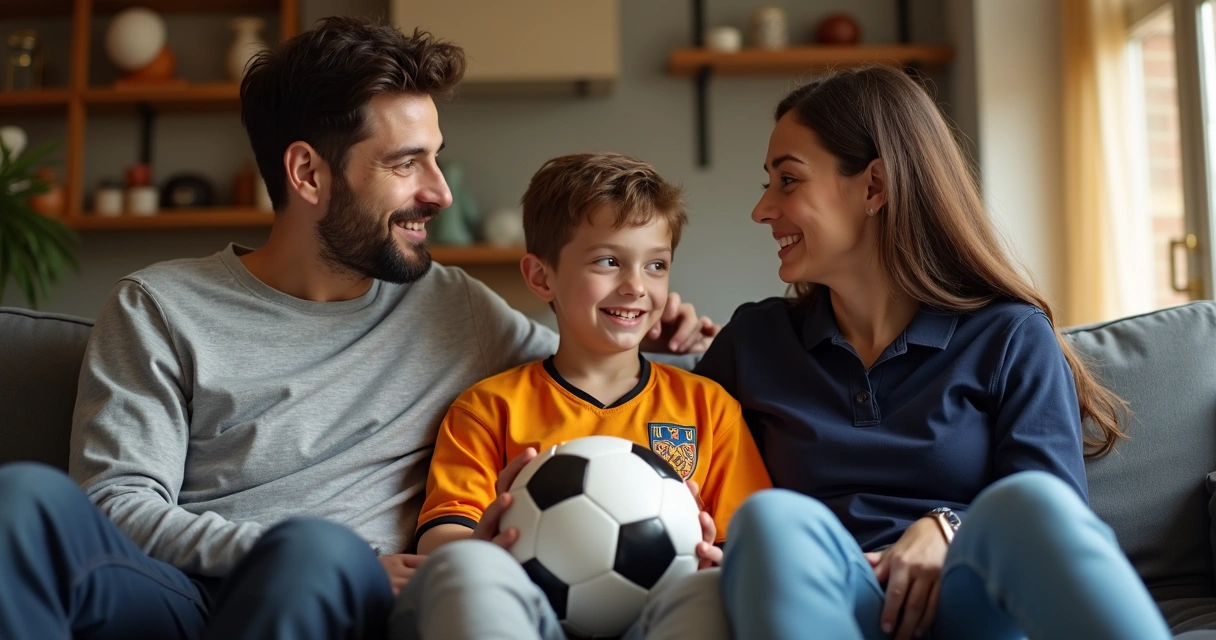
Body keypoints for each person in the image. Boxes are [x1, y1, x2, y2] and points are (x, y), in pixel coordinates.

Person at [0, 18, 716, 640]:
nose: (439, 191)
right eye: (406, 163)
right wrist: (276, 549)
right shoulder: (159, 306)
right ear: (308, 174)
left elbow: (581, 376)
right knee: (22, 498)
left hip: (341, 594)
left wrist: (635, 326)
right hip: (182, 593)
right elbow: (118, 503)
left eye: (435, 157)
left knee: (316, 553)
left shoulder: (454, 307)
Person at [693, 64, 1174, 640]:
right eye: (768, 184)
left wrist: (946, 526)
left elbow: (1055, 513)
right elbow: (662, 453)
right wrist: (630, 338)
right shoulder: (755, 340)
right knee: (771, 519)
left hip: (969, 601)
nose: (763, 209)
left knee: (1029, 504)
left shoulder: (1010, 335)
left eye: (788, 180)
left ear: (874, 186)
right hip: (827, 599)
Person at [391, 152, 771, 640]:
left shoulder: (708, 407)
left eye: (656, 265)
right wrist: (480, 543)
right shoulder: (489, 408)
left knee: (713, 598)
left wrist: (716, 556)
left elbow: (748, 542)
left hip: (663, 614)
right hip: (533, 616)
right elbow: (443, 539)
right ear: (541, 277)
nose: (636, 286)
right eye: (608, 262)